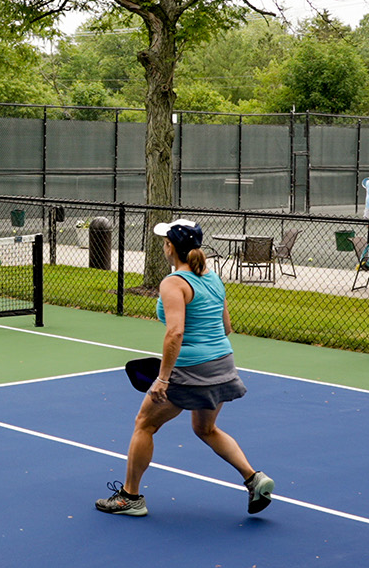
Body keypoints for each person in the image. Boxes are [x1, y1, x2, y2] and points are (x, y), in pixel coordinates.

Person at [97, 218, 273, 518]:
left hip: (190, 369)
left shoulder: (173, 283)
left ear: (170, 247)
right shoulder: (213, 278)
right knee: (205, 428)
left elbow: (175, 332)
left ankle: (130, 497)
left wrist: (163, 379)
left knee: (144, 424)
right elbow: (226, 328)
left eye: (164, 242)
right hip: (223, 363)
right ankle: (253, 478)